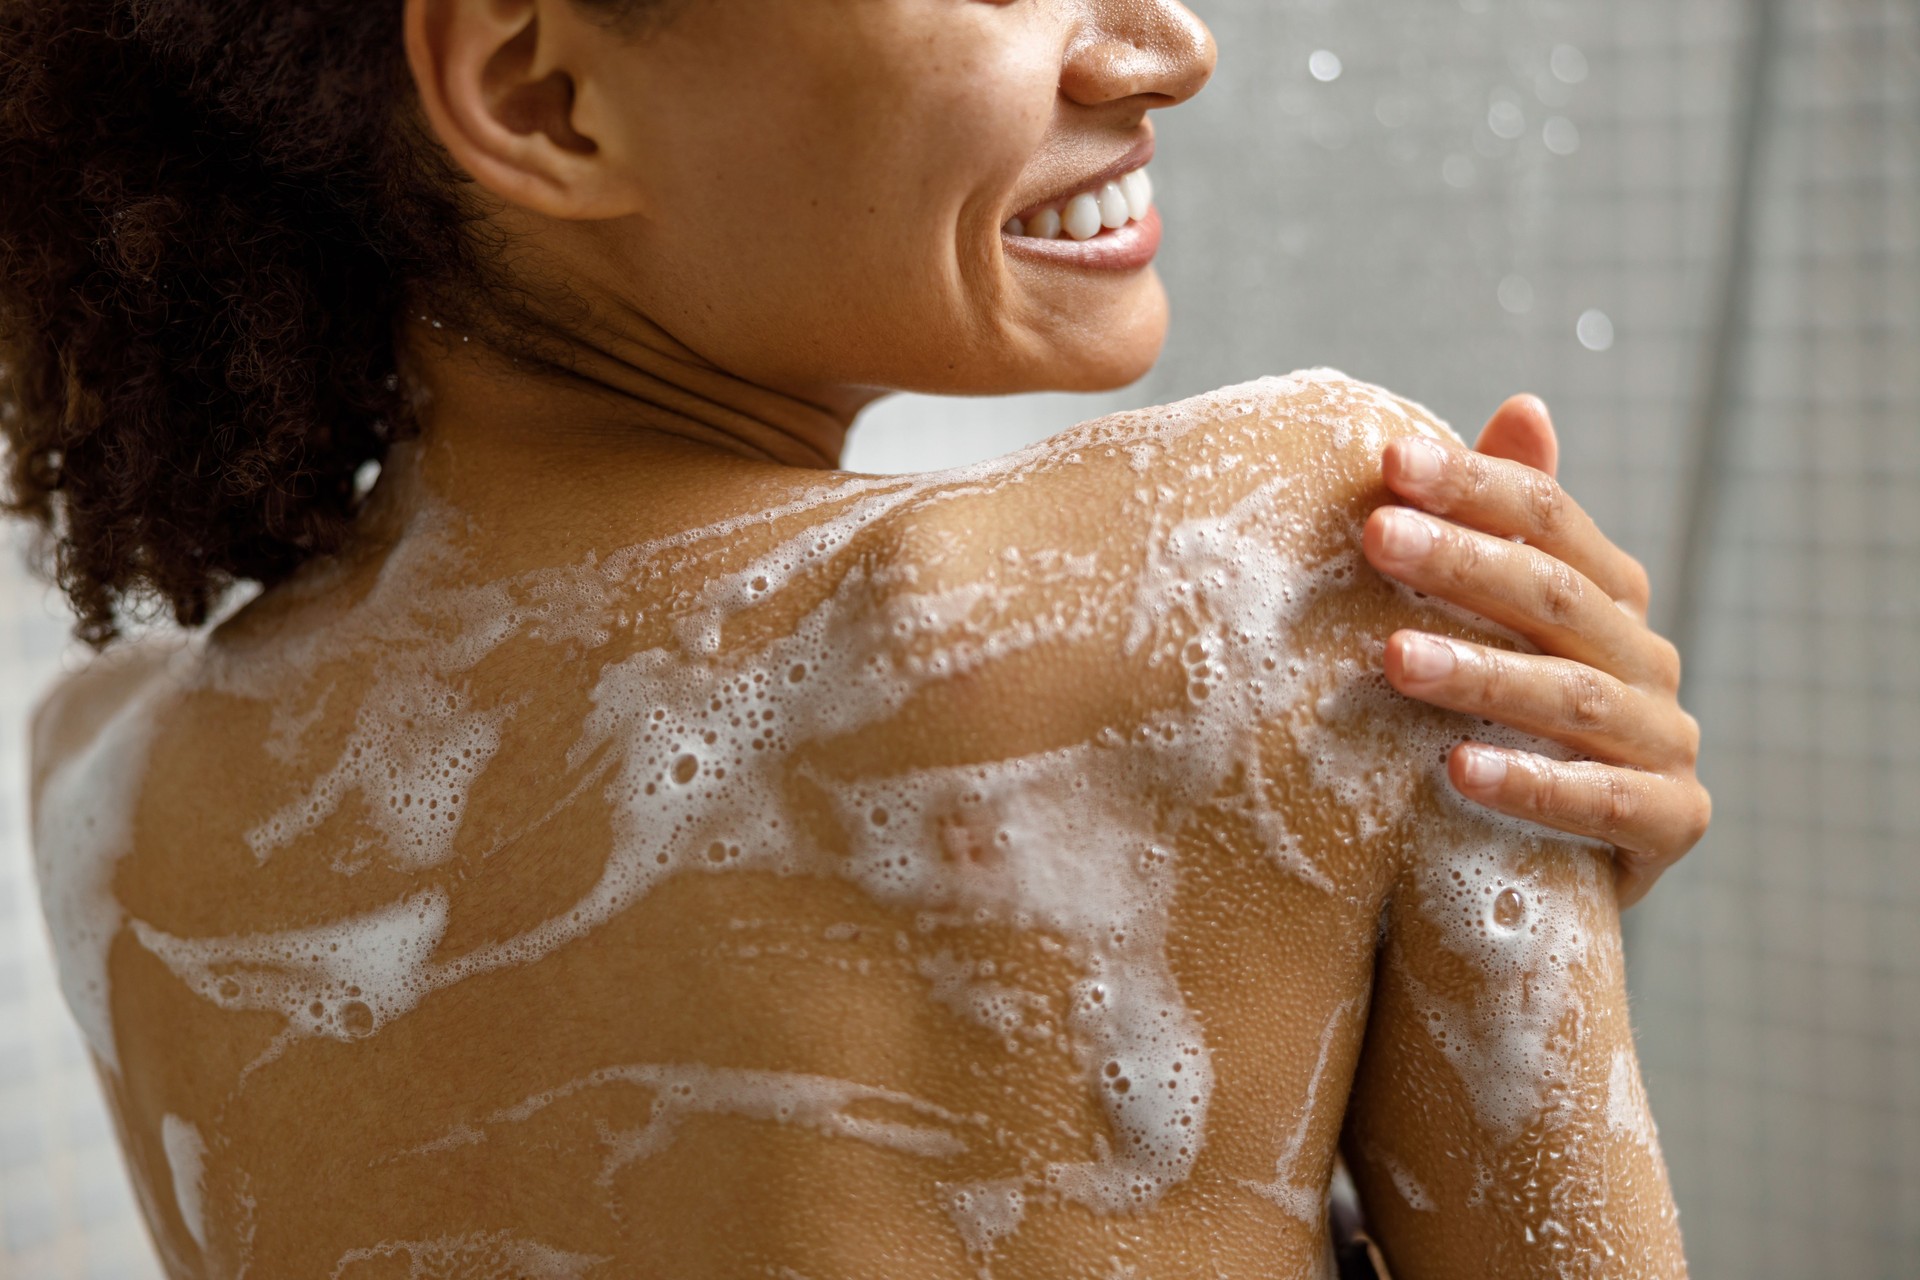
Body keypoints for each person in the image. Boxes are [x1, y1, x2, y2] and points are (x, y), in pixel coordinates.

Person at [2, 0, 1708, 1276]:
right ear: (544, 94)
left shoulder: (114, 789)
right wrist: (1481, 877)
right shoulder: (1262, 563)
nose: (1163, 44)